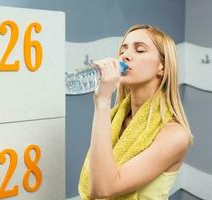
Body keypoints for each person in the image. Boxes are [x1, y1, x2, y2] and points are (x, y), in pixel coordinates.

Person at [78, 24, 194, 200]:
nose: (125, 56)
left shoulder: (175, 135)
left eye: (139, 50)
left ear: (161, 66)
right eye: (123, 50)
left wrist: (102, 100)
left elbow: (102, 189)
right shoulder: (112, 121)